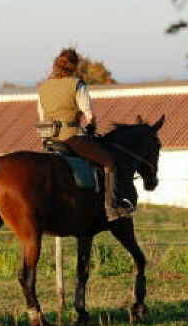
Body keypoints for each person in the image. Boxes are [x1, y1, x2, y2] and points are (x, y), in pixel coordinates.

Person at [37, 48, 134, 221]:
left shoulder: (43, 87)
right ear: (74, 66)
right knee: (109, 161)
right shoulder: (76, 84)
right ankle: (111, 207)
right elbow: (88, 114)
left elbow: (41, 116)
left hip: (49, 139)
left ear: (56, 65)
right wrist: (91, 128)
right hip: (71, 137)